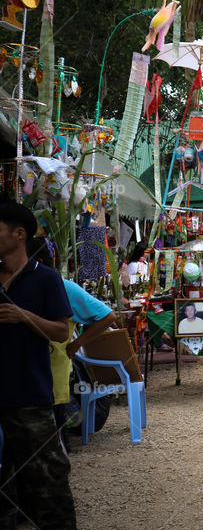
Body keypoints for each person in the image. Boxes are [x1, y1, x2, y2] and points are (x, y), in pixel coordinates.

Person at [0, 203, 77, 529]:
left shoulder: (45, 279)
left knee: (48, 484)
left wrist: (24, 317)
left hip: (30, 398)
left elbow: (62, 331)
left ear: (19, 235)